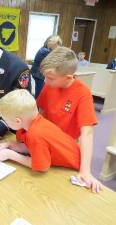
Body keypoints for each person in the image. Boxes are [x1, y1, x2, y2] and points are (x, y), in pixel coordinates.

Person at [37, 46, 103, 193]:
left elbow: (87, 133)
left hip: (65, 148)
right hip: (46, 143)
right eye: (45, 77)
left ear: (68, 77)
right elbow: (40, 114)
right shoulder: (49, 85)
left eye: (50, 78)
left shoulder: (82, 93)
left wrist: (86, 170)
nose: (46, 82)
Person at [0, 89, 80, 173]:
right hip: (75, 155)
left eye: (5, 119)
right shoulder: (36, 122)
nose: (5, 122)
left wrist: (10, 155)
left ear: (18, 121)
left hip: (73, 170)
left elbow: (41, 166)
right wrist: (10, 145)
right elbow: (32, 147)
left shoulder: (35, 134)